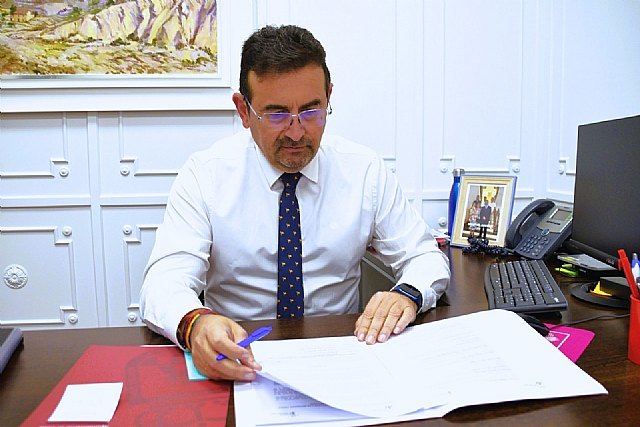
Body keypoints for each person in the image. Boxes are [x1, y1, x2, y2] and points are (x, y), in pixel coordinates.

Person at [140, 24, 450, 382]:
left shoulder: (364, 171)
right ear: (243, 111)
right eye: (276, 114)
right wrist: (197, 324)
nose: (296, 132)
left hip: (342, 357)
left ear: (328, 97)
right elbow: (163, 283)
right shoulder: (205, 175)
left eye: (312, 110)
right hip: (240, 358)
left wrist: (407, 294)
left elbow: (424, 256)